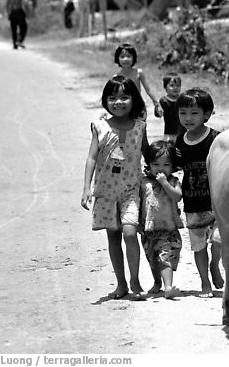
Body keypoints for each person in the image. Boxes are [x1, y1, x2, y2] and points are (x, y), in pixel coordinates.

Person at [81, 75, 149, 300]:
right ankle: (121, 283)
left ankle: (135, 280)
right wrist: (86, 188)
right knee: (113, 237)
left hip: (130, 189)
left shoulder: (140, 127)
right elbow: (91, 158)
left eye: (124, 97)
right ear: (105, 101)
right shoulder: (100, 126)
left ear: (133, 99)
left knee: (130, 233)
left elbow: (148, 153)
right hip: (106, 192)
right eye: (112, 98)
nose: (118, 102)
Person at [175, 88, 223, 298]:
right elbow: (173, 166)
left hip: (217, 201)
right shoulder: (179, 141)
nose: (188, 118)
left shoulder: (216, 138)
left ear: (207, 114)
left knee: (221, 240)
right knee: (199, 245)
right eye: (183, 113)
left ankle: (216, 264)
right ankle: (205, 283)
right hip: (193, 202)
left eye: (194, 113)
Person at [140, 140, 183, 299]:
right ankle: (157, 282)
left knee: (166, 258)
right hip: (149, 230)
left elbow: (177, 196)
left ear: (173, 166)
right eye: (156, 164)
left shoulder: (173, 181)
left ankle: (168, 287)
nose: (160, 168)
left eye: (166, 164)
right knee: (152, 258)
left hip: (168, 229)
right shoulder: (144, 182)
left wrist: (165, 184)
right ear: (149, 164)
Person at [113, 43, 160, 120]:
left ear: (133, 58)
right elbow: (114, 95)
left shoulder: (138, 72)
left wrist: (156, 103)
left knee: (140, 129)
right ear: (117, 58)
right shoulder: (116, 77)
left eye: (129, 56)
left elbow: (148, 90)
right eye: (122, 56)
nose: (125, 59)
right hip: (124, 108)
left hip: (138, 107)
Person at [155, 72, 186, 142]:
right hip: (169, 133)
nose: (175, 88)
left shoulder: (183, 99)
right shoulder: (163, 101)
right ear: (165, 87)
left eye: (178, 85)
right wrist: (158, 111)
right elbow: (158, 114)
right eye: (172, 85)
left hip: (183, 132)